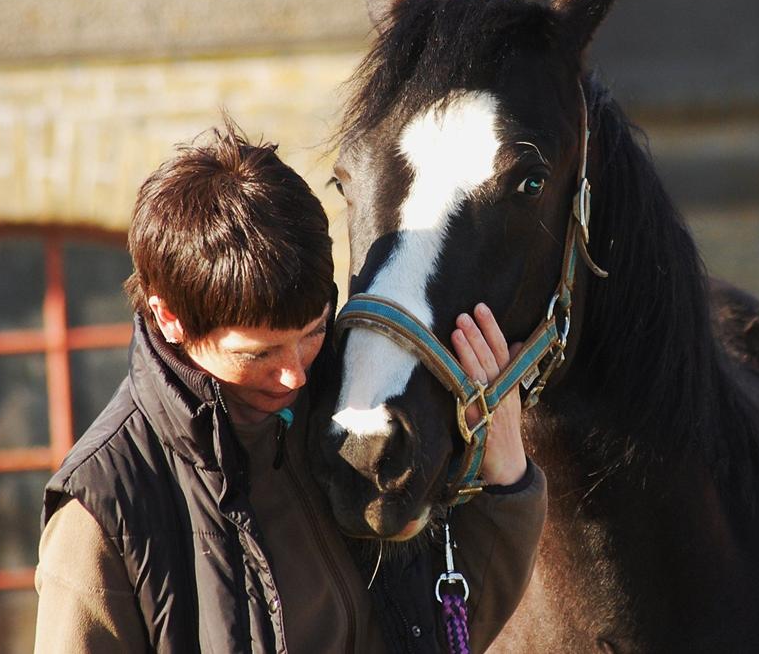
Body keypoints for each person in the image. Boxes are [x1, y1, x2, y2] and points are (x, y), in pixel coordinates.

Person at [33, 119, 546, 653]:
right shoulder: (99, 515)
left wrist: (504, 472)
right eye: (258, 354)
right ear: (169, 319)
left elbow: (438, 634)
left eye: (313, 332)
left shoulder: (347, 405)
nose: (295, 375)